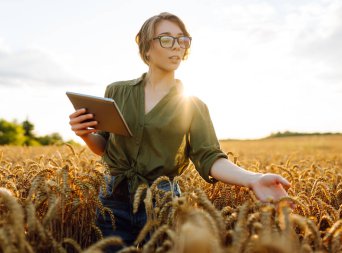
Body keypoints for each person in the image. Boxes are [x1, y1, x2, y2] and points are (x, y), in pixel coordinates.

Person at [68, 12, 291, 249]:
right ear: (146, 49)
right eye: (166, 39)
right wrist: (84, 134)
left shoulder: (193, 105)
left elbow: (210, 157)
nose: (177, 46)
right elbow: (103, 147)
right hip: (113, 201)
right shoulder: (117, 91)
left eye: (182, 39)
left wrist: (253, 178)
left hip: (162, 203)